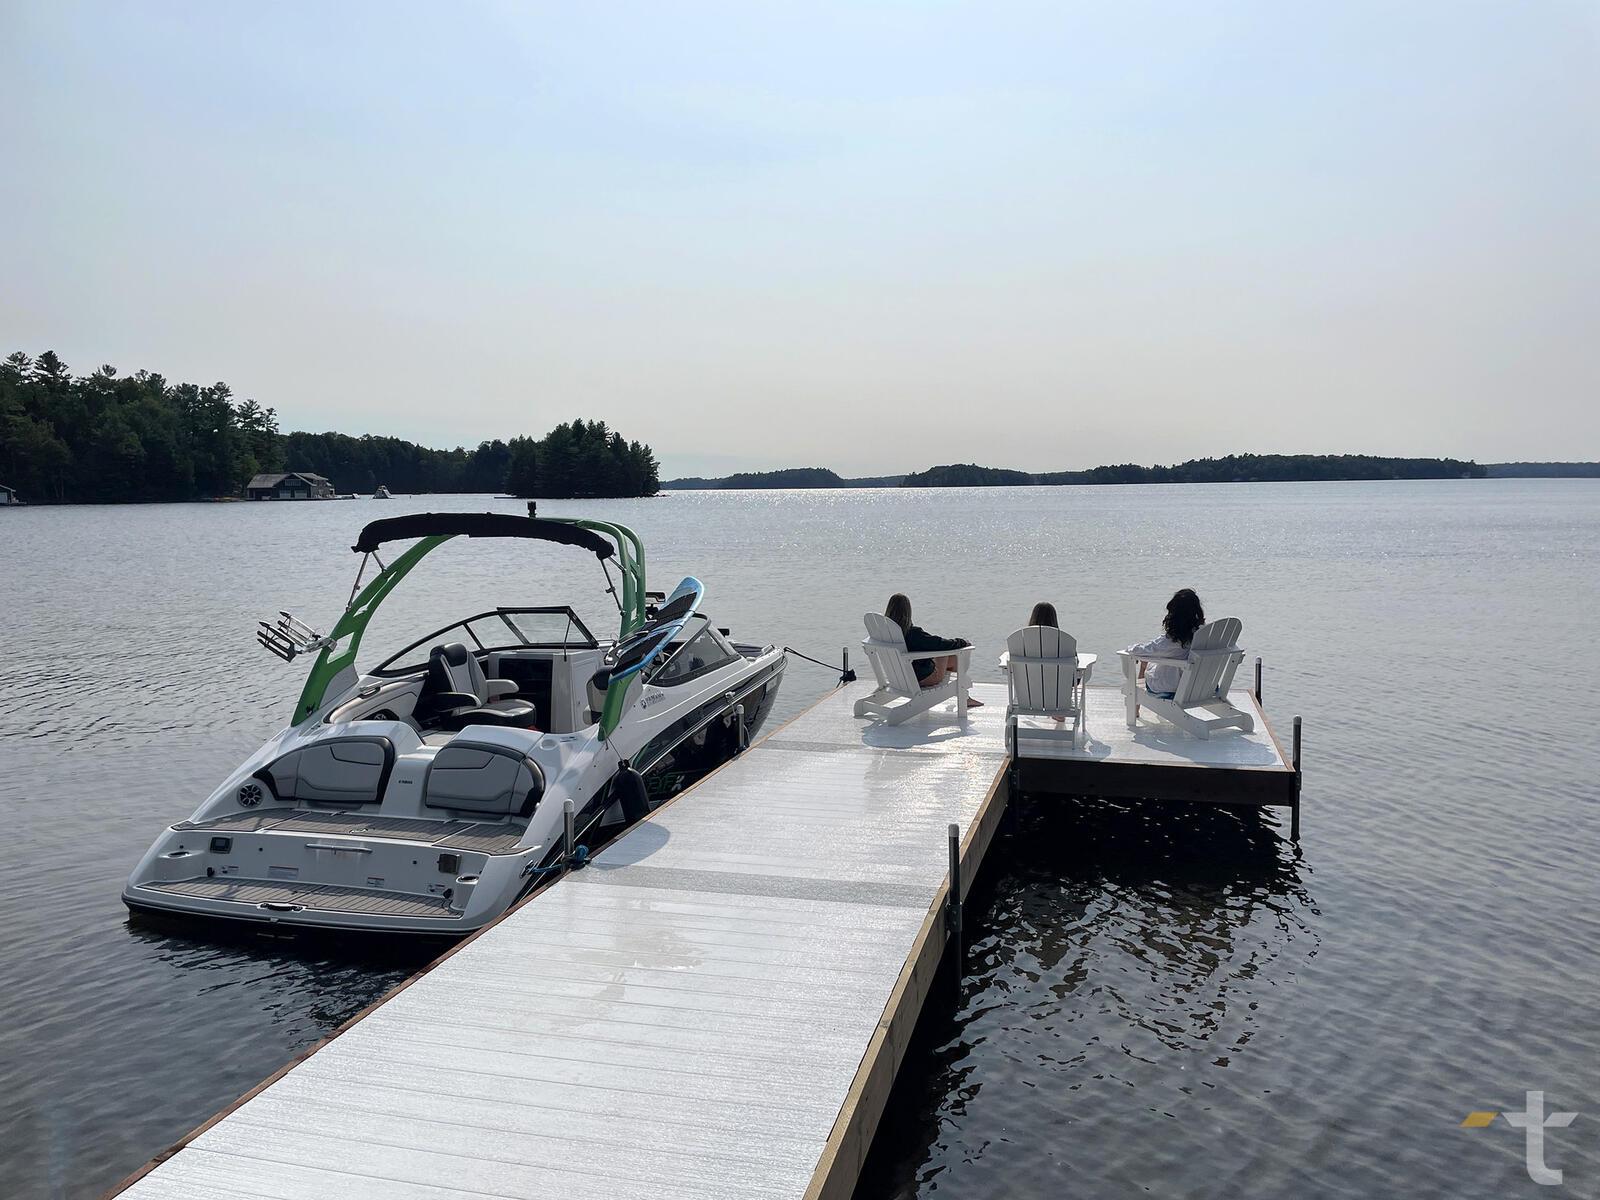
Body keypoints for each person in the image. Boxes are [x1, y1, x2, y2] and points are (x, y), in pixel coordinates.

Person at [883, 593, 983, 706]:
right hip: (923, 677)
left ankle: (964, 694)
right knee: (949, 654)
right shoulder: (913, 633)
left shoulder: (885, 634)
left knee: (949, 656)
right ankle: (963, 695)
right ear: (908, 611)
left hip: (899, 678)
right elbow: (939, 644)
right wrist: (962, 642)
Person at [1126, 588, 1205, 703]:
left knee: (1145, 662)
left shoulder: (1172, 641)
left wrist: (1130, 648)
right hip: (1200, 687)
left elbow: (1139, 650)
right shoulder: (1204, 634)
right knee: (1150, 662)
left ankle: (1135, 707)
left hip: (1170, 689)